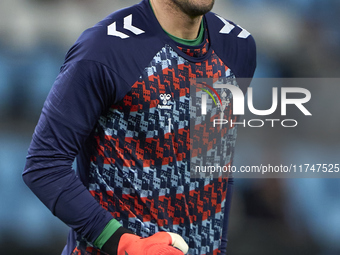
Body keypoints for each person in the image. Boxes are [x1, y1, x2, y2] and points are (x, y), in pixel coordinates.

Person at [23, 0, 256, 254]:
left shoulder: (237, 47)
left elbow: (215, 168)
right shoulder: (104, 49)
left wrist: (218, 249)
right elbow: (45, 165)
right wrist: (124, 244)